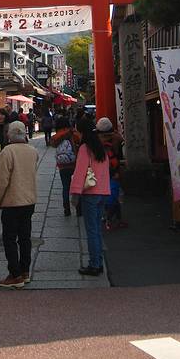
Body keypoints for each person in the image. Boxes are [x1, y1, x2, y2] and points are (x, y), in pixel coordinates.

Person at [0, 120, 38, 288]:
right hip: (29, 200)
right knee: (25, 237)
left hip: (12, 201)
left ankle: (15, 274)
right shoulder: (33, 151)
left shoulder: (7, 152)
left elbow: (1, 180)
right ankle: (25, 271)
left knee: (10, 238)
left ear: (9, 135)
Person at [70, 115, 110, 276]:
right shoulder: (100, 148)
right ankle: (98, 262)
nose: (76, 134)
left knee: (91, 230)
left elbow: (80, 172)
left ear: (82, 132)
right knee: (97, 229)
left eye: (77, 131)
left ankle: (94, 264)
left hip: (90, 193)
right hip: (103, 192)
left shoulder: (84, 149)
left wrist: (75, 193)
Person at [96, 117, 126, 230]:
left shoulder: (97, 141)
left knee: (109, 197)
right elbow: (119, 156)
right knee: (113, 196)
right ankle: (114, 219)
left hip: (104, 172)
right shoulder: (116, 138)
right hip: (113, 171)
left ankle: (109, 218)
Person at [49, 116, 81, 217]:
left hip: (62, 166)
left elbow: (52, 143)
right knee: (77, 186)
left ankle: (66, 209)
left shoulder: (57, 135)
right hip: (74, 164)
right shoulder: (73, 133)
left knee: (65, 187)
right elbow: (80, 141)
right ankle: (79, 209)